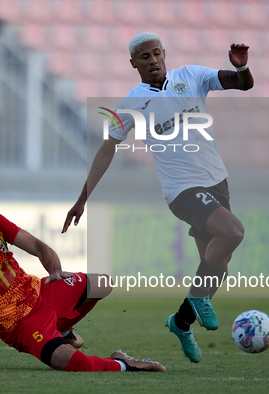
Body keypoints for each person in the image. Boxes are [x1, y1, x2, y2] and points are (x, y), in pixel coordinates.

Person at [62, 32, 253, 364]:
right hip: (182, 191)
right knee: (233, 232)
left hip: (216, 182)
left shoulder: (191, 76)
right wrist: (82, 198)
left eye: (156, 54)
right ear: (133, 63)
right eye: (144, 57)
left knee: (218, 266)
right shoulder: (130, 103)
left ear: (164, 53)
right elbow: (106, 152)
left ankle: (180, 323)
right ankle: (197, 299)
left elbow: (242, 83)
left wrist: (244, 67)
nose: (152, 61)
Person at [0, 176, 165, 372]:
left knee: (102, 283)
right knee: (74, 363)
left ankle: (62, 330)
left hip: (40, 292)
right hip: (22, 324)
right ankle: (122, 363)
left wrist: (55, 272)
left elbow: (39, 247)